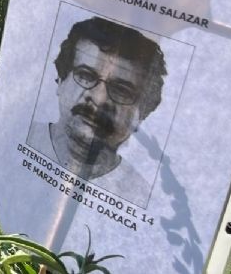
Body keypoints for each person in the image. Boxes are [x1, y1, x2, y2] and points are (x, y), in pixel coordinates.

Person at [26, 16, 167, 204]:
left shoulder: (139, 197)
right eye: (85, 76)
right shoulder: (19, 137)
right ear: (61, 80)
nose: (99, 99)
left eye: (121, 90)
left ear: (143, 112)